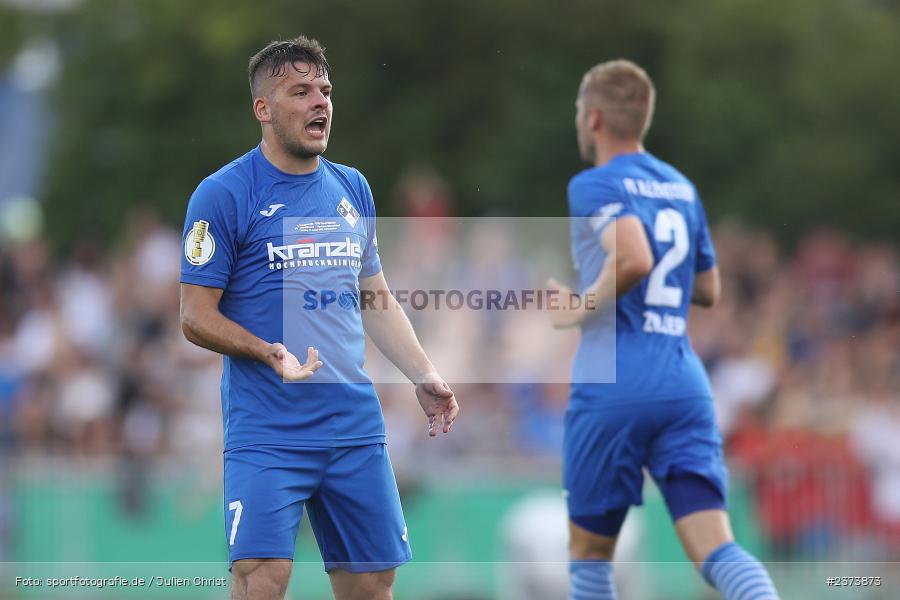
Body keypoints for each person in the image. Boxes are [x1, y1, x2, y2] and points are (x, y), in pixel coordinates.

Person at [179, 36, 459, 600]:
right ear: (263, 109)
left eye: (325, 91)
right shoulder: (223, 194)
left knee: (371, 585)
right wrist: (266, 350)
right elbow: (194, 316)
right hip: (268, 432)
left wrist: (423, 374)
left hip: (352, 427)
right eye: (300, 92)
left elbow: (375, 299)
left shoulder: (352, 188)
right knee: (263, 580)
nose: (320, 103)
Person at [547, 60, 778, 600]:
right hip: (682, 379)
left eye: (581, 113)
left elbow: (633, 258)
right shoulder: (680, 186)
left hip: (617, 381)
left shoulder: (592, 184)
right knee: (716, 550)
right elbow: (709, 288)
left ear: (595, 118)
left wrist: (578, 307)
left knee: (589, 559)